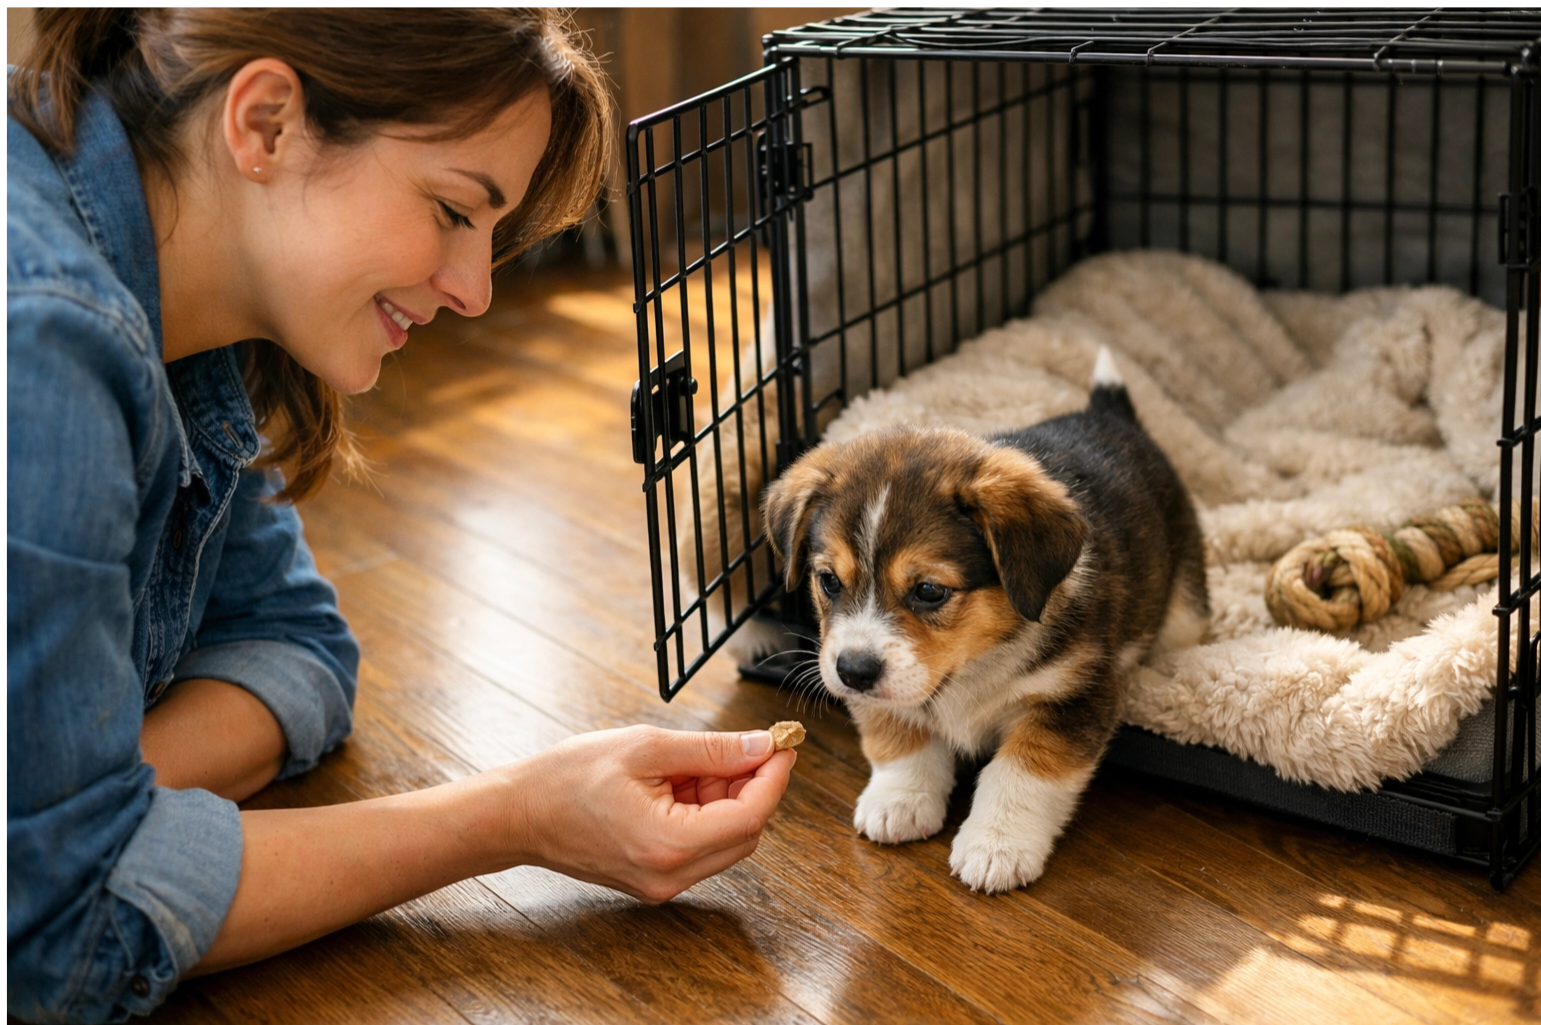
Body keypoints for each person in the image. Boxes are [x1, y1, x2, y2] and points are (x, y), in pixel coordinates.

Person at [5, 10, 795, 1023]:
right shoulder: (44, 339)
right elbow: (65, 931)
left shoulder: (190, 297)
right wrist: (515, 815)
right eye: (453, 210)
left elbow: (290, 643)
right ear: (266, 125)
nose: (472, 291)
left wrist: (84, 799)